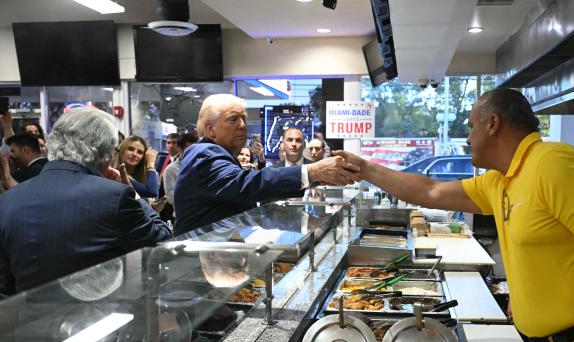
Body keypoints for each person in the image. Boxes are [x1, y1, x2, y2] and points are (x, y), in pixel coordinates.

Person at [336, 89, 574, 342]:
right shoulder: (502, 181)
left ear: (493, 123)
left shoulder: (554, 164)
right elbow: (429, 190)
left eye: (470, 126)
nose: (467, 138)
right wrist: (365, 169)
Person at [0, 108, 171, 295]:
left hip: (26, 320)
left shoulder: (7, 201)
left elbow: (5, 286)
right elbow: (162, 240)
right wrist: (134, 194)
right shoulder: (115, 197)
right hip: (98, 315)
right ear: (104, 152)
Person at [173, 94, 359, 235]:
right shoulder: (203, 154)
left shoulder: (217, 154)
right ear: (210, 129)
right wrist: (313, 171)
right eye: (233, 119)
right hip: (199, 264)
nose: (243, 125)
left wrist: (320, 176)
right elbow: (245, 185)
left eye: (244, 119)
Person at [163, 132, 198, 214]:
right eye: (189, 150)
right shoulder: (171, 169)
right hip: (184, 215)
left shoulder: (199, 165)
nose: (194, 153)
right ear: (179, 149)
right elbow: (171, 198)